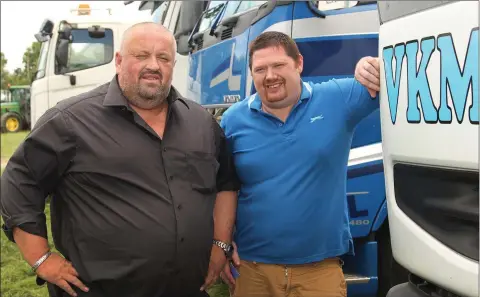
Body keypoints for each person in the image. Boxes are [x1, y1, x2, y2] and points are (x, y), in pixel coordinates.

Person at [0, 22, 238, 297]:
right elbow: (20, 182)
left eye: (163, 58)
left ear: (173, 64)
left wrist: (221, 245)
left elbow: (226, 183)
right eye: (141, 56)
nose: (154, 65)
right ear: (119, 61)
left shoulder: (202, 123)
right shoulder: (69, 122)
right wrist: (40, 258)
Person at [217, 31, 381, 297]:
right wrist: (222, 244)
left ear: (299, 64)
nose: (270, 76)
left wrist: (372, 64)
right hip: (253, 271)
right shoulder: (233, 120)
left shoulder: (338, 98)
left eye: (278, 65)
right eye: (260, 69)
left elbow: (397, 73)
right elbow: (224, 187)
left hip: (319, 272)